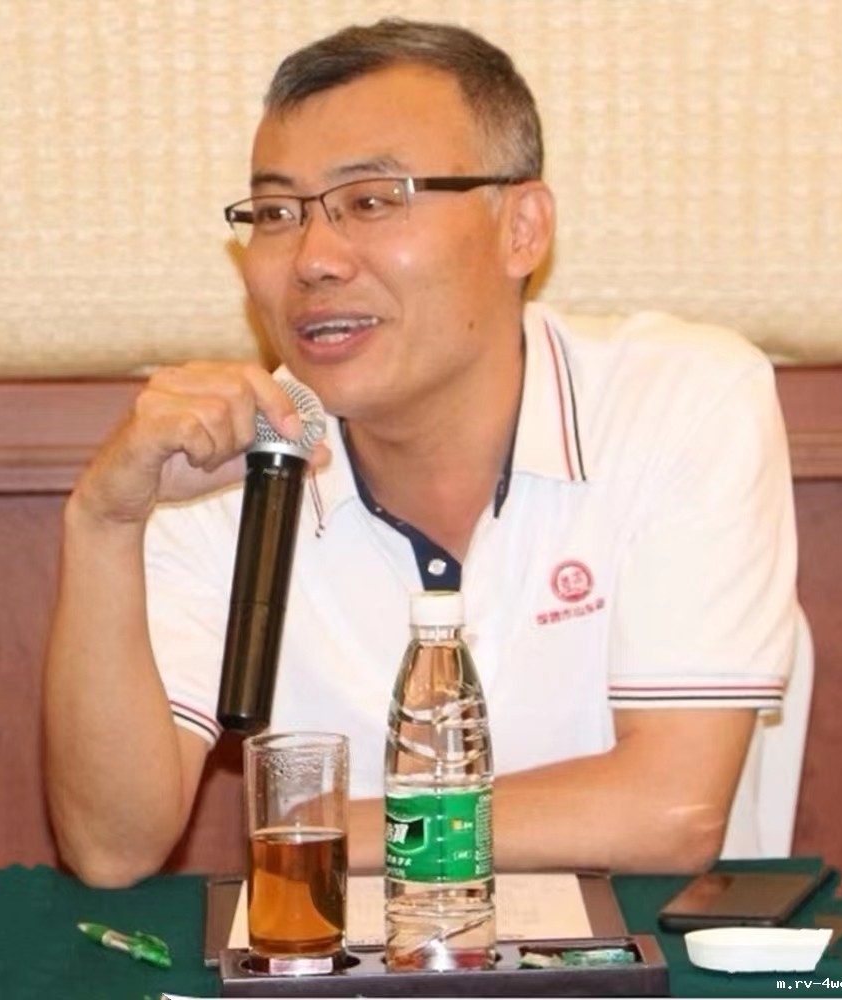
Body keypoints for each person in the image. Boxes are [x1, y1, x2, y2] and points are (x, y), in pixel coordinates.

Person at [43, 18, 797, 888]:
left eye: (372, 201)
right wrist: (104, 521)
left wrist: (312, 829)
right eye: (278, 214)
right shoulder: (221, 459)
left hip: (643, 946)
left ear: (522, 228)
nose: (314, 260)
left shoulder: (682, 401)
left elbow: (670, 812)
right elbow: (113, 849)